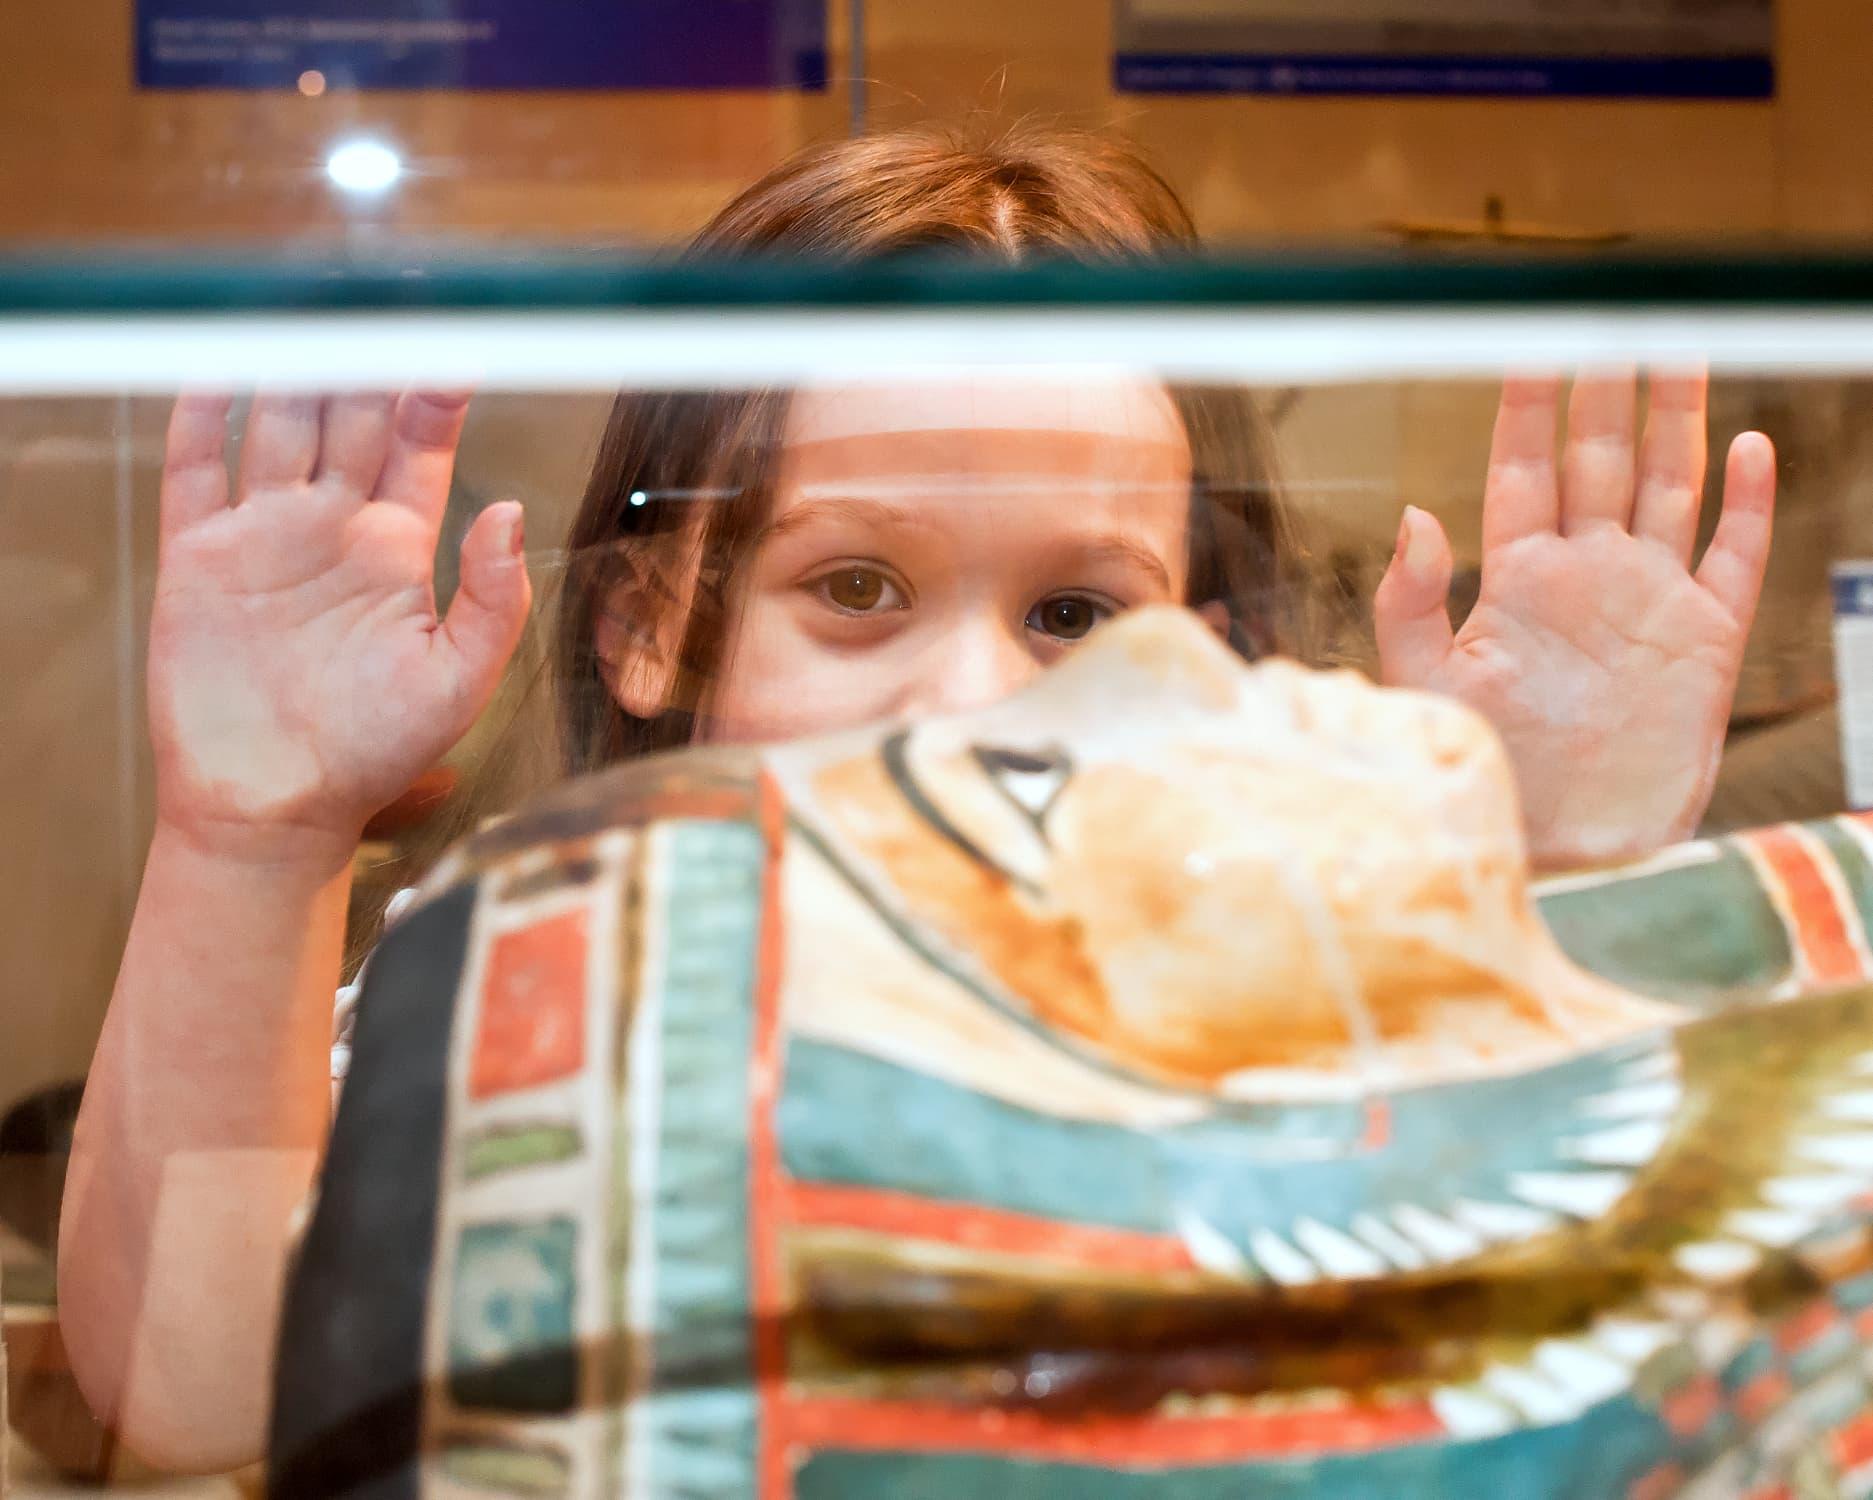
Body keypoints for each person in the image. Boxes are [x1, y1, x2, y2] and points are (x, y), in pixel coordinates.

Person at [57, 122, 1776, 1473]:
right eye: (857, 588)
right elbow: (199, 1398)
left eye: (1075, 613)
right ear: (656, 620)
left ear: (1204, 640)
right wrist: (251, 832)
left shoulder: (1311, 969)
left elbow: (1591, 1385)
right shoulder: (520, 965)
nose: (972, 701)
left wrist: (1556, 878)